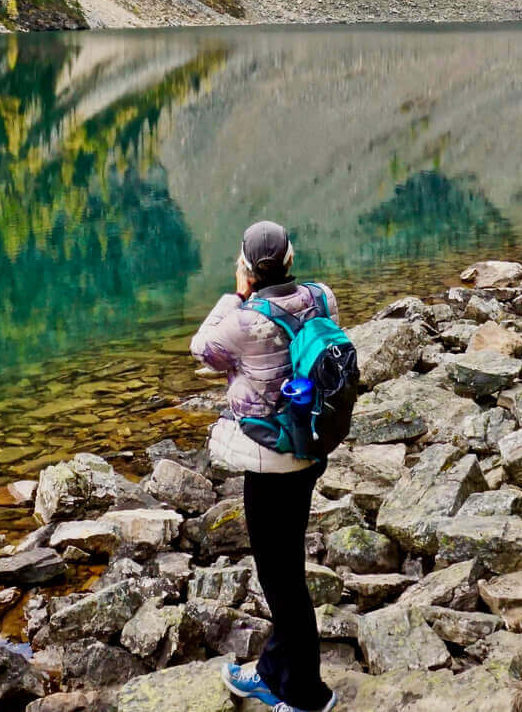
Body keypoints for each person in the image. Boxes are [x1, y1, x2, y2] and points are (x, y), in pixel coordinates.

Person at [189, 220, 338, 712]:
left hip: (270, 461)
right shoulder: (323, 297)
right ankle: (274, 671)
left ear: (249, 268)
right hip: (311, 446)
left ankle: (306, 696)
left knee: (281, 581)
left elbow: (202, 349)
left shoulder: (244, 320)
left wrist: (236, 294)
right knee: (286, 569)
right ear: (290, 261)